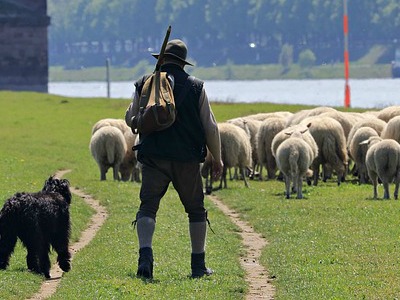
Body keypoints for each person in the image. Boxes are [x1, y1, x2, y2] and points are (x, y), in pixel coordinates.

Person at [125, 38, 223, 279]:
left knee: (148, 207)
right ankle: (198, 266)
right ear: (183, 63)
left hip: (153, 158)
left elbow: (130, 118)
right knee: (196, 210)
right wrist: (217, 159)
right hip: (186, 159)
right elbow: (210, 127)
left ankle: (145, 258)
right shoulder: (196, 87)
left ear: (161, 59)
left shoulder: (145, 83)